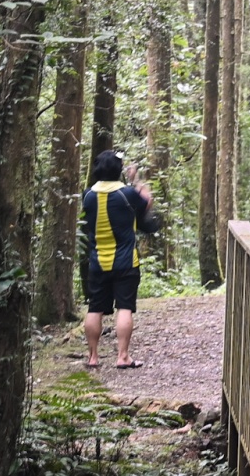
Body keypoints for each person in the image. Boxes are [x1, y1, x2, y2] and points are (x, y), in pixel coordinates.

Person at [80, 149, 161, 370]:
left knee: (94, 308)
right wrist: (135, 178)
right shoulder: (127, 194)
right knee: (124, 307)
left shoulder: (87, 195)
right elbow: (147, 201)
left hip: (97, 263)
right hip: (126, 262)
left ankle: (93, 357)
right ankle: (122, 356)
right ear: (118, 170)